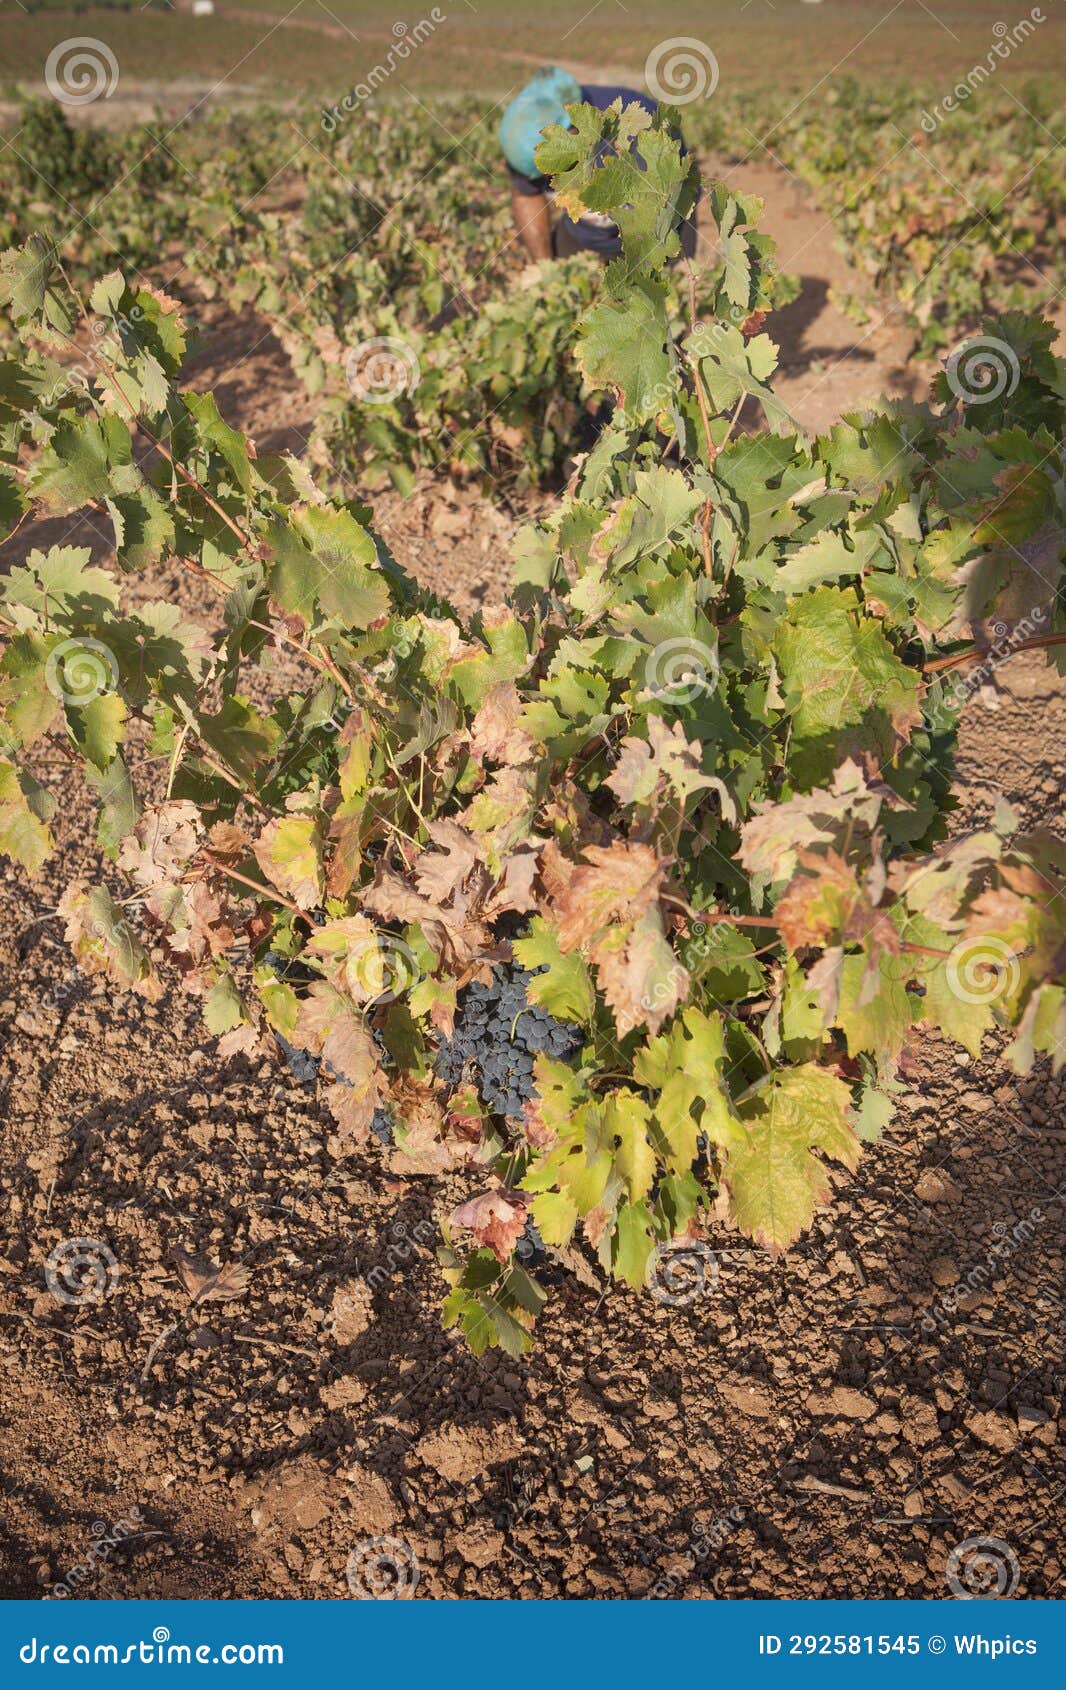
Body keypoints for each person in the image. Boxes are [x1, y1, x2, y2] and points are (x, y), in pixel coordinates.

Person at [498, 66, 696, 263]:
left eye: (552, 171)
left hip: (659, 232)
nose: (550, 180)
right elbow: (526, 195)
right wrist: (543, 269)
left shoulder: (643, 129)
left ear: (571, 129)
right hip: (584, 235)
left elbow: (654, 215)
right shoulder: (523, 139)